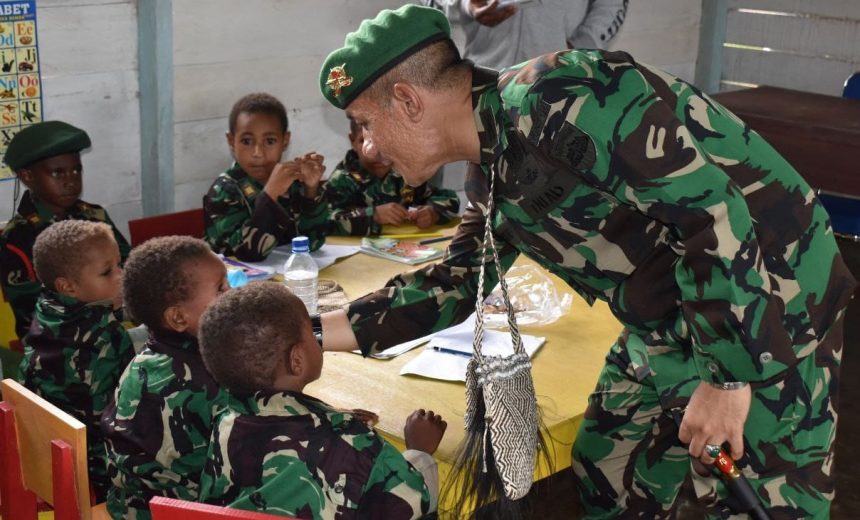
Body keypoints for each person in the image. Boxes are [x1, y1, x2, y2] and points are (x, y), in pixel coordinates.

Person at [315, 5, 856, 517]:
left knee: (758, 501)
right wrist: (310, 333)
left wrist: (728, 381)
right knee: (607, 468)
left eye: (364, 124)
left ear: (409, 101)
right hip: (670, 320)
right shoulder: (492, 167)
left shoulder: (559, 95)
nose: (365, 148)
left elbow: (711, 215)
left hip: (769, 306)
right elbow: (454, 283)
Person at [197, 282, 446, 518]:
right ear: (297, 360)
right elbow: (415, 505)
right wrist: (419, 451)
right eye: (312, 332)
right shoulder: (352, 442)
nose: (320, 339)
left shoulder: (224, 422)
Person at [101, 236, 230, 519]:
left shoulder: (145, 359)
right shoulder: (209, 379)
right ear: (178, 318)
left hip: (128, 506)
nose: (231, 295)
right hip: (181, 512)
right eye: (221, 289)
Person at [17, 219, 134, 501]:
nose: (120, 276)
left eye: (119, 264)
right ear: (68, 285)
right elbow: (127, 411)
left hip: (48, 453)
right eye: (108, 272)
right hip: (97, 473)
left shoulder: (46, 308)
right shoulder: (106, 336)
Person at [0, 120, 131, 339]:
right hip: (56, 345)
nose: (70, 181)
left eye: (76, 170)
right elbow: (31, 314)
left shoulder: (94, 216)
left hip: (110, 327)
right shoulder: (16, 239)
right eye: (57, 173)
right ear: (27, 176)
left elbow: (128, 264)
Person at [203, 92, 329, 262]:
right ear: (231, 141)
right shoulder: (225, 190)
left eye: (269, 141)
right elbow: (248, 253)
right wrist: (271, 194)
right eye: (247, 141)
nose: (258, 153)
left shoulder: (291, 182)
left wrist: (311, 190)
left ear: (285, 141)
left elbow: (312, 242)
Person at [324, 117, 460, 236]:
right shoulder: (342, 179)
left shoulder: (402, 173)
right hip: (356, 254)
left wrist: (432, 212)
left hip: (406, 247)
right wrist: (374, 215)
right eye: (363, 141)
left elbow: (449, 198)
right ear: (352, 140)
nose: (375, 152)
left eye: (383, 142)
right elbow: (322, 221)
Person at [423, 0, 628, 70]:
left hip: (562, 75)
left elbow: (612, 3)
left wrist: (582, 44)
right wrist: (465, 4)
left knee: (553, 165)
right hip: (486, 77)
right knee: (486, 165)